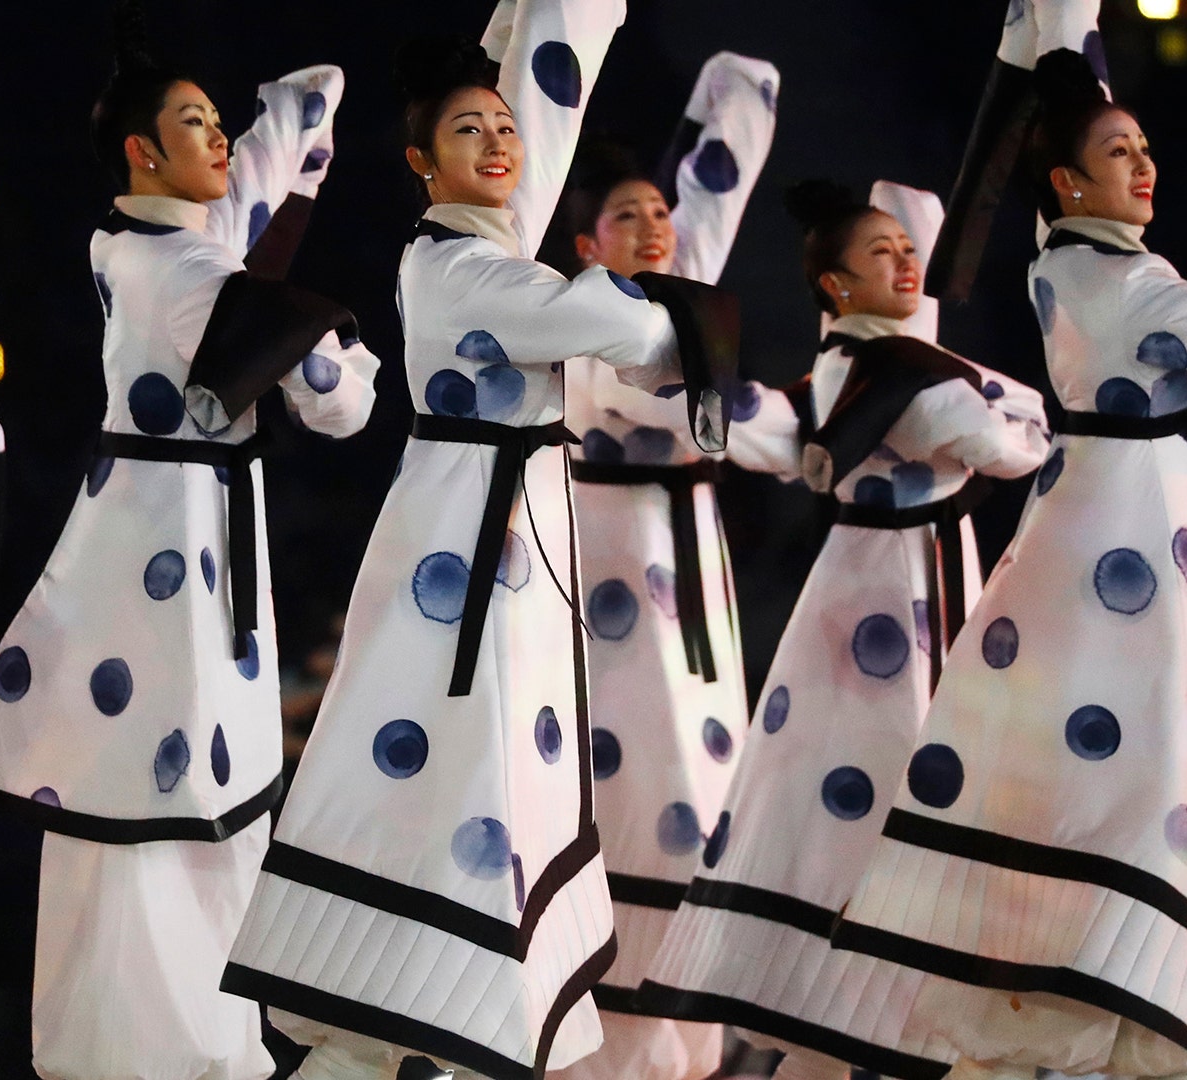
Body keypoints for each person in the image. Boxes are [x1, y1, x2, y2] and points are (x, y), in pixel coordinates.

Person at [222, 0, 738, 1075]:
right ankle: (417, 1014)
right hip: (469, 537)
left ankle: (449, 1020)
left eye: (505, 125)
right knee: (467, 767)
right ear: (421, 162)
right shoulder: (463, 269)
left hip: (503, 527)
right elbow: (626, 327)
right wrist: (658, 311)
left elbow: (628, 330)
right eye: (469, 130)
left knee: (492, 770)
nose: (500, 141)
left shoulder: (492, 258)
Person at [0, 4, 378, 1076]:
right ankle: (176, 1056)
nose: (220, 138)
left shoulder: (158, 241)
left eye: (220, 121)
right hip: (167, 555)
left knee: (170, 799)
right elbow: (336, 400)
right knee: (164, 806)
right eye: (195, 124)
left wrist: (289, 125)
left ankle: (183, 1048)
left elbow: (306, 102)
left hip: (170, 532)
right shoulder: (181, 271)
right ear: (143, 151)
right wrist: (340, 345)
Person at [829, 46, 1187, 1080]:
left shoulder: (1080, 264)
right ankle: (1117, 1011)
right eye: (1118, 151)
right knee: (1127, 772)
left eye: (1145, 148)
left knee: (1117, 770)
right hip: (1122, 544)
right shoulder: (1117, 279)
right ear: (1067, 183)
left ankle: (1117, 1010)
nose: (1144, 165)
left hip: (1125, 527)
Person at [639, 179, 1050, 1080]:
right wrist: (982, 391)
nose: (905, 263)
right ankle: (885, 1008)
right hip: (897, 600)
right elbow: (1013, 443)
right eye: (881, 253)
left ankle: (835, 1016)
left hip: (866, 592)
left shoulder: (858, 368)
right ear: (836, 285)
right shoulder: (902, 375)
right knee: (902, 789)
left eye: (908, 250)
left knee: (839, 800)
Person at [538, 50, 778, 1080]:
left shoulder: (678, 305)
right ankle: (617, 1037)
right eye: (625, 217)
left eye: (658, 212)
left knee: (710, 779)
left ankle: (693, 1036)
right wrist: (798, 423)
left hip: (693, 574)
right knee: (639, 783)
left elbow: (731, 156)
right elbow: (700, 409)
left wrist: (728, 89)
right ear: (586, 244)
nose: (653, 227)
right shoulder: (600, 324)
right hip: (618, 574)